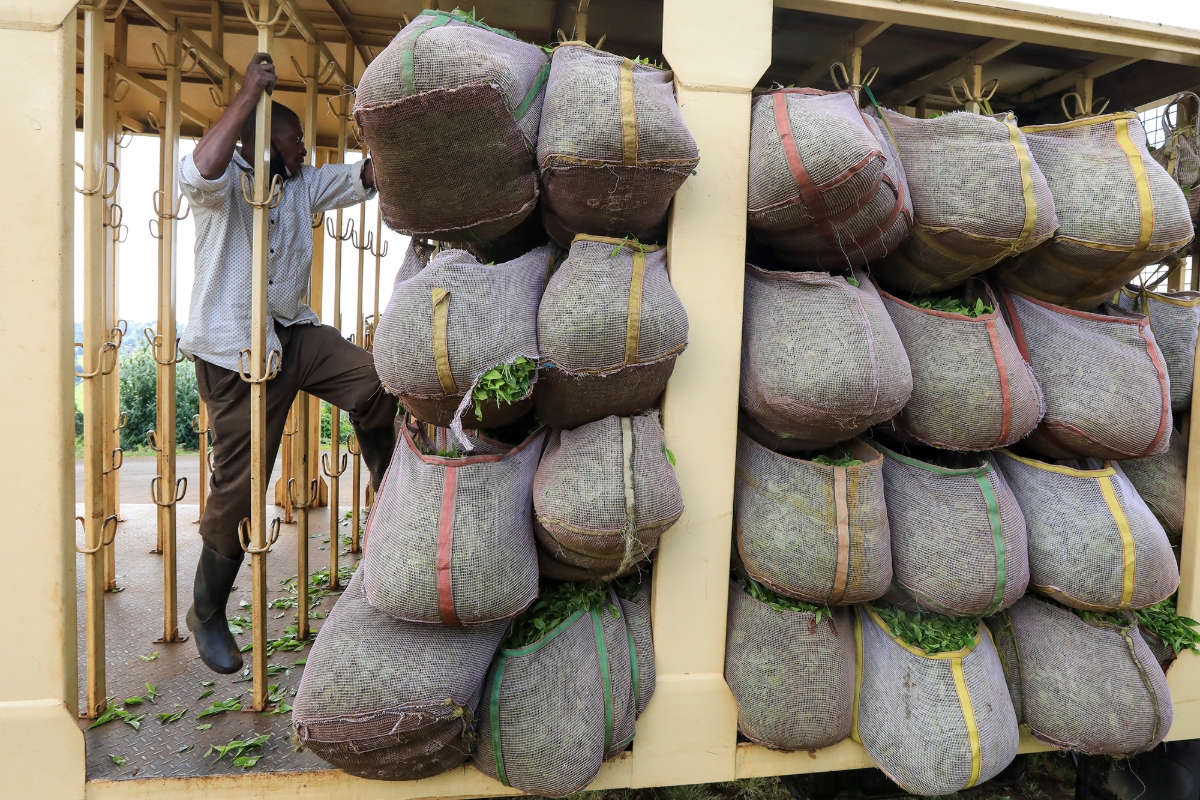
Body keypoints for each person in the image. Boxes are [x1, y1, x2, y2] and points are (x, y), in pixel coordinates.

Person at [178, 53, 397, 674]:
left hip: (291, 337)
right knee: (240, 489)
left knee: (376, 384)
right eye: (292, 136)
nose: (303, 145)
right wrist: (247, 94)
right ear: (260, 142)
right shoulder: (223, 183)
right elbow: (199, 173)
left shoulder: (300, 182)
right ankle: (208, 609)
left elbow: (365, 177)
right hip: (235, 353)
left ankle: (387, 490)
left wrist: (399, 128)